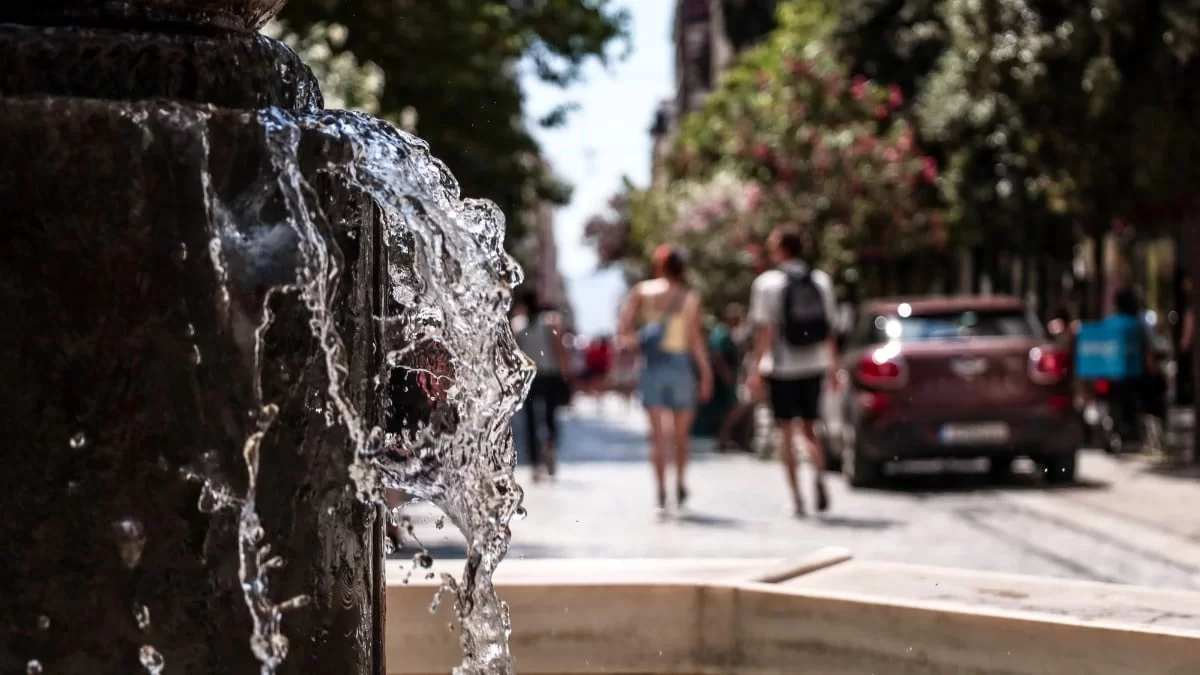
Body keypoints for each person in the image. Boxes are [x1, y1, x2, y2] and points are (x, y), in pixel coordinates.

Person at [746, 226, 838, 516]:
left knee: (787, 431)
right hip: (816, 363)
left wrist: (756, 369)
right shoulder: (821, 281)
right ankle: (819, 469)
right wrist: (833, 365)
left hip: (782, 366)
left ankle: (796, 497)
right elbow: (830, 329)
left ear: (779, 250)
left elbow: (765, 330)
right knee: (811, 427)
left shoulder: (767, 284)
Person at [618, 245, 713, 513]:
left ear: (659, 265)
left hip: (651, 366)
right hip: (681, 366)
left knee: (657, 436)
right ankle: (680, 483)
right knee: (680, 436)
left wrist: (640, 340)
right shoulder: (690, 298)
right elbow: (696, 341)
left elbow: (623, 330)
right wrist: (705, 373)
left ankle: (660, 490)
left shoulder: (642, 292)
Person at [513, 289, 573, 482]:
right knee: (550, 417)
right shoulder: (550, 322)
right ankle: (549, 448)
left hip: (530, 378)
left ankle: (535, 464)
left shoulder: (518, 325)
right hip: (551, 375)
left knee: (530, 420)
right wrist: (566, 373)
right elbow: (559, 349)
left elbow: (515, 354)